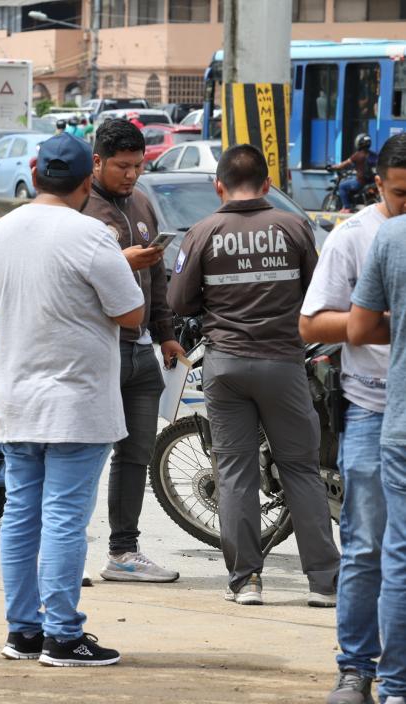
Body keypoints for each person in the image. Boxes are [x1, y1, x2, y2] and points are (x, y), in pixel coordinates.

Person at [0, 134, 144, 667]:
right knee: (66, 519)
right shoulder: (91, 234)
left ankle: (23, 631)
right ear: (83, 181)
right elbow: (132, 314)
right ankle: (63, 634)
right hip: (76, 403)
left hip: (18, 399)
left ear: (35, 173)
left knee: (23, 516)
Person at [168, 144, 340, 607]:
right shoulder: (295, 227)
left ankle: (246, 581)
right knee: (302, 471)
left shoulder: (203, 232)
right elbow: (316, 292)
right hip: (283, 364)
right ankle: (324, 584)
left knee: (235, 474)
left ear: (219, 186)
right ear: (267, 185)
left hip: (225, 366)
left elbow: (180, 301)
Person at [302, 134, 406, 704]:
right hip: (370, 407)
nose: (405, 205)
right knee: (367, 545)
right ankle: (356, 667)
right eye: (398, 194)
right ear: (378, 185)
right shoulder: (356, 237)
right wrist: (378, 323)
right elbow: (312, 325)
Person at [83, 118, 182, 584]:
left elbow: (157, 277)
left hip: (142, 348)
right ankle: (63, 552)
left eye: (138, 166)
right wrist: (123, 260)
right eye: (122, 166)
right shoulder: (80, 207)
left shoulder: (141, 203)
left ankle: (124, 551)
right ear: (97, 161)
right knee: (80, 453)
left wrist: (165, 331)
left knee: (136, 454)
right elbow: (75, 273)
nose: (131, 175)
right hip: (98, 349)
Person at [330, 134, 377, 212]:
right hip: (372, 181)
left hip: (360, 182)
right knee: (351, 179)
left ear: (359, 143)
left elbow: (343, 165)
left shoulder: (357, 155)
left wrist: (332, 167)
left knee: (342, 186)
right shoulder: (373, 155)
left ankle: (347, 207)